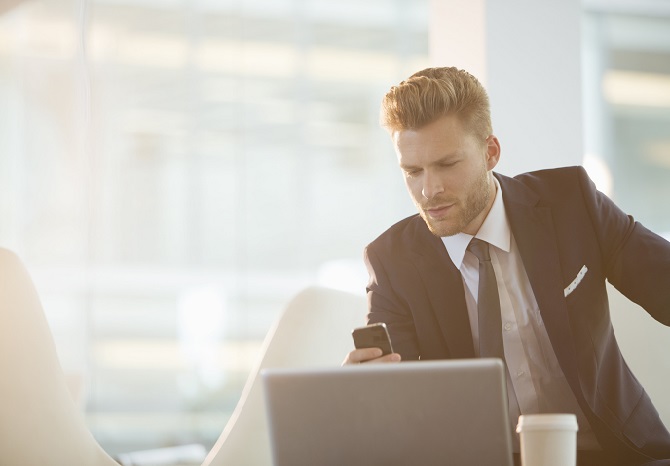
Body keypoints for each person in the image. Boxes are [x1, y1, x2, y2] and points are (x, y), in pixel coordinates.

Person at [342, 67, 670, 466]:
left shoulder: (572, 203)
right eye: (413, 172)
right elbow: (399, 405)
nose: (429, 190)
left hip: (614, 450)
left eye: (447, 164)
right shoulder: (391, 260)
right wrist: (360, 397)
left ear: (491, 152)